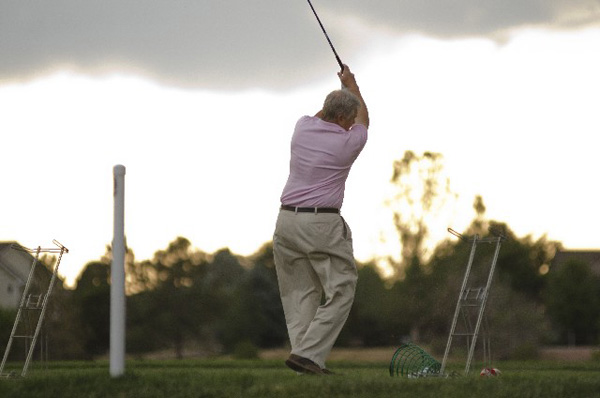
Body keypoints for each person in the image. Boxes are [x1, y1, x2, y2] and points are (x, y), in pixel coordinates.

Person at [273, 64, 369, 375]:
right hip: (320, 224)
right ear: (343, 120)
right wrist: (352, 85)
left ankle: (305, 360)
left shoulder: (302, 127)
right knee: (342, 287)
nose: (351, 123)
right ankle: (309, 355)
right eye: (348, 119)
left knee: (299, 293)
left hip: (286, 222)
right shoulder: (348, 143)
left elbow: (328, 113)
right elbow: (365, 120)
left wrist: (343, 92)